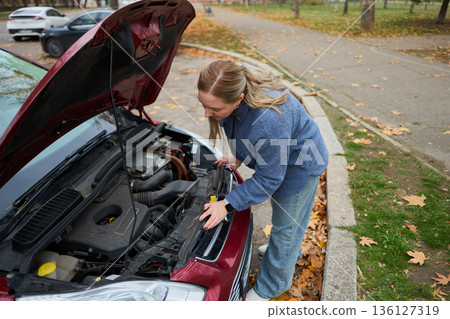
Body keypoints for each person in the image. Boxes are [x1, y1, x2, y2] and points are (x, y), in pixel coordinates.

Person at [197, 60, 328, 301]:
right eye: (203, 104)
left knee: (285, 228)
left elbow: (268, 179)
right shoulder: (235, 97)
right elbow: (240, 129)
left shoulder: (268, 122)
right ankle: (288, 252)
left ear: (239, 99)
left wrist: (226, 203)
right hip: (281, 158)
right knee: (288, 223)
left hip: (300, 165)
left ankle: (272, 286)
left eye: (213, 108)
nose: (206, 113)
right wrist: (239, 155)